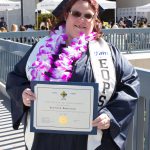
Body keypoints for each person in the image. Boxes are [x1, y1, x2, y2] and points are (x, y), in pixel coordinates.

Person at [6, 0, 140, 150]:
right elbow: (16, 77)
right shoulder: (41, 48)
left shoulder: (108, 53)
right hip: (44, 139)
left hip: (87, 140)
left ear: (94, 19)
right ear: (66, 15)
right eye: (76, 13)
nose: (82, 20)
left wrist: (111, 115)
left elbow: (130, 83)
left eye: (88, 15)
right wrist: (22, 93)